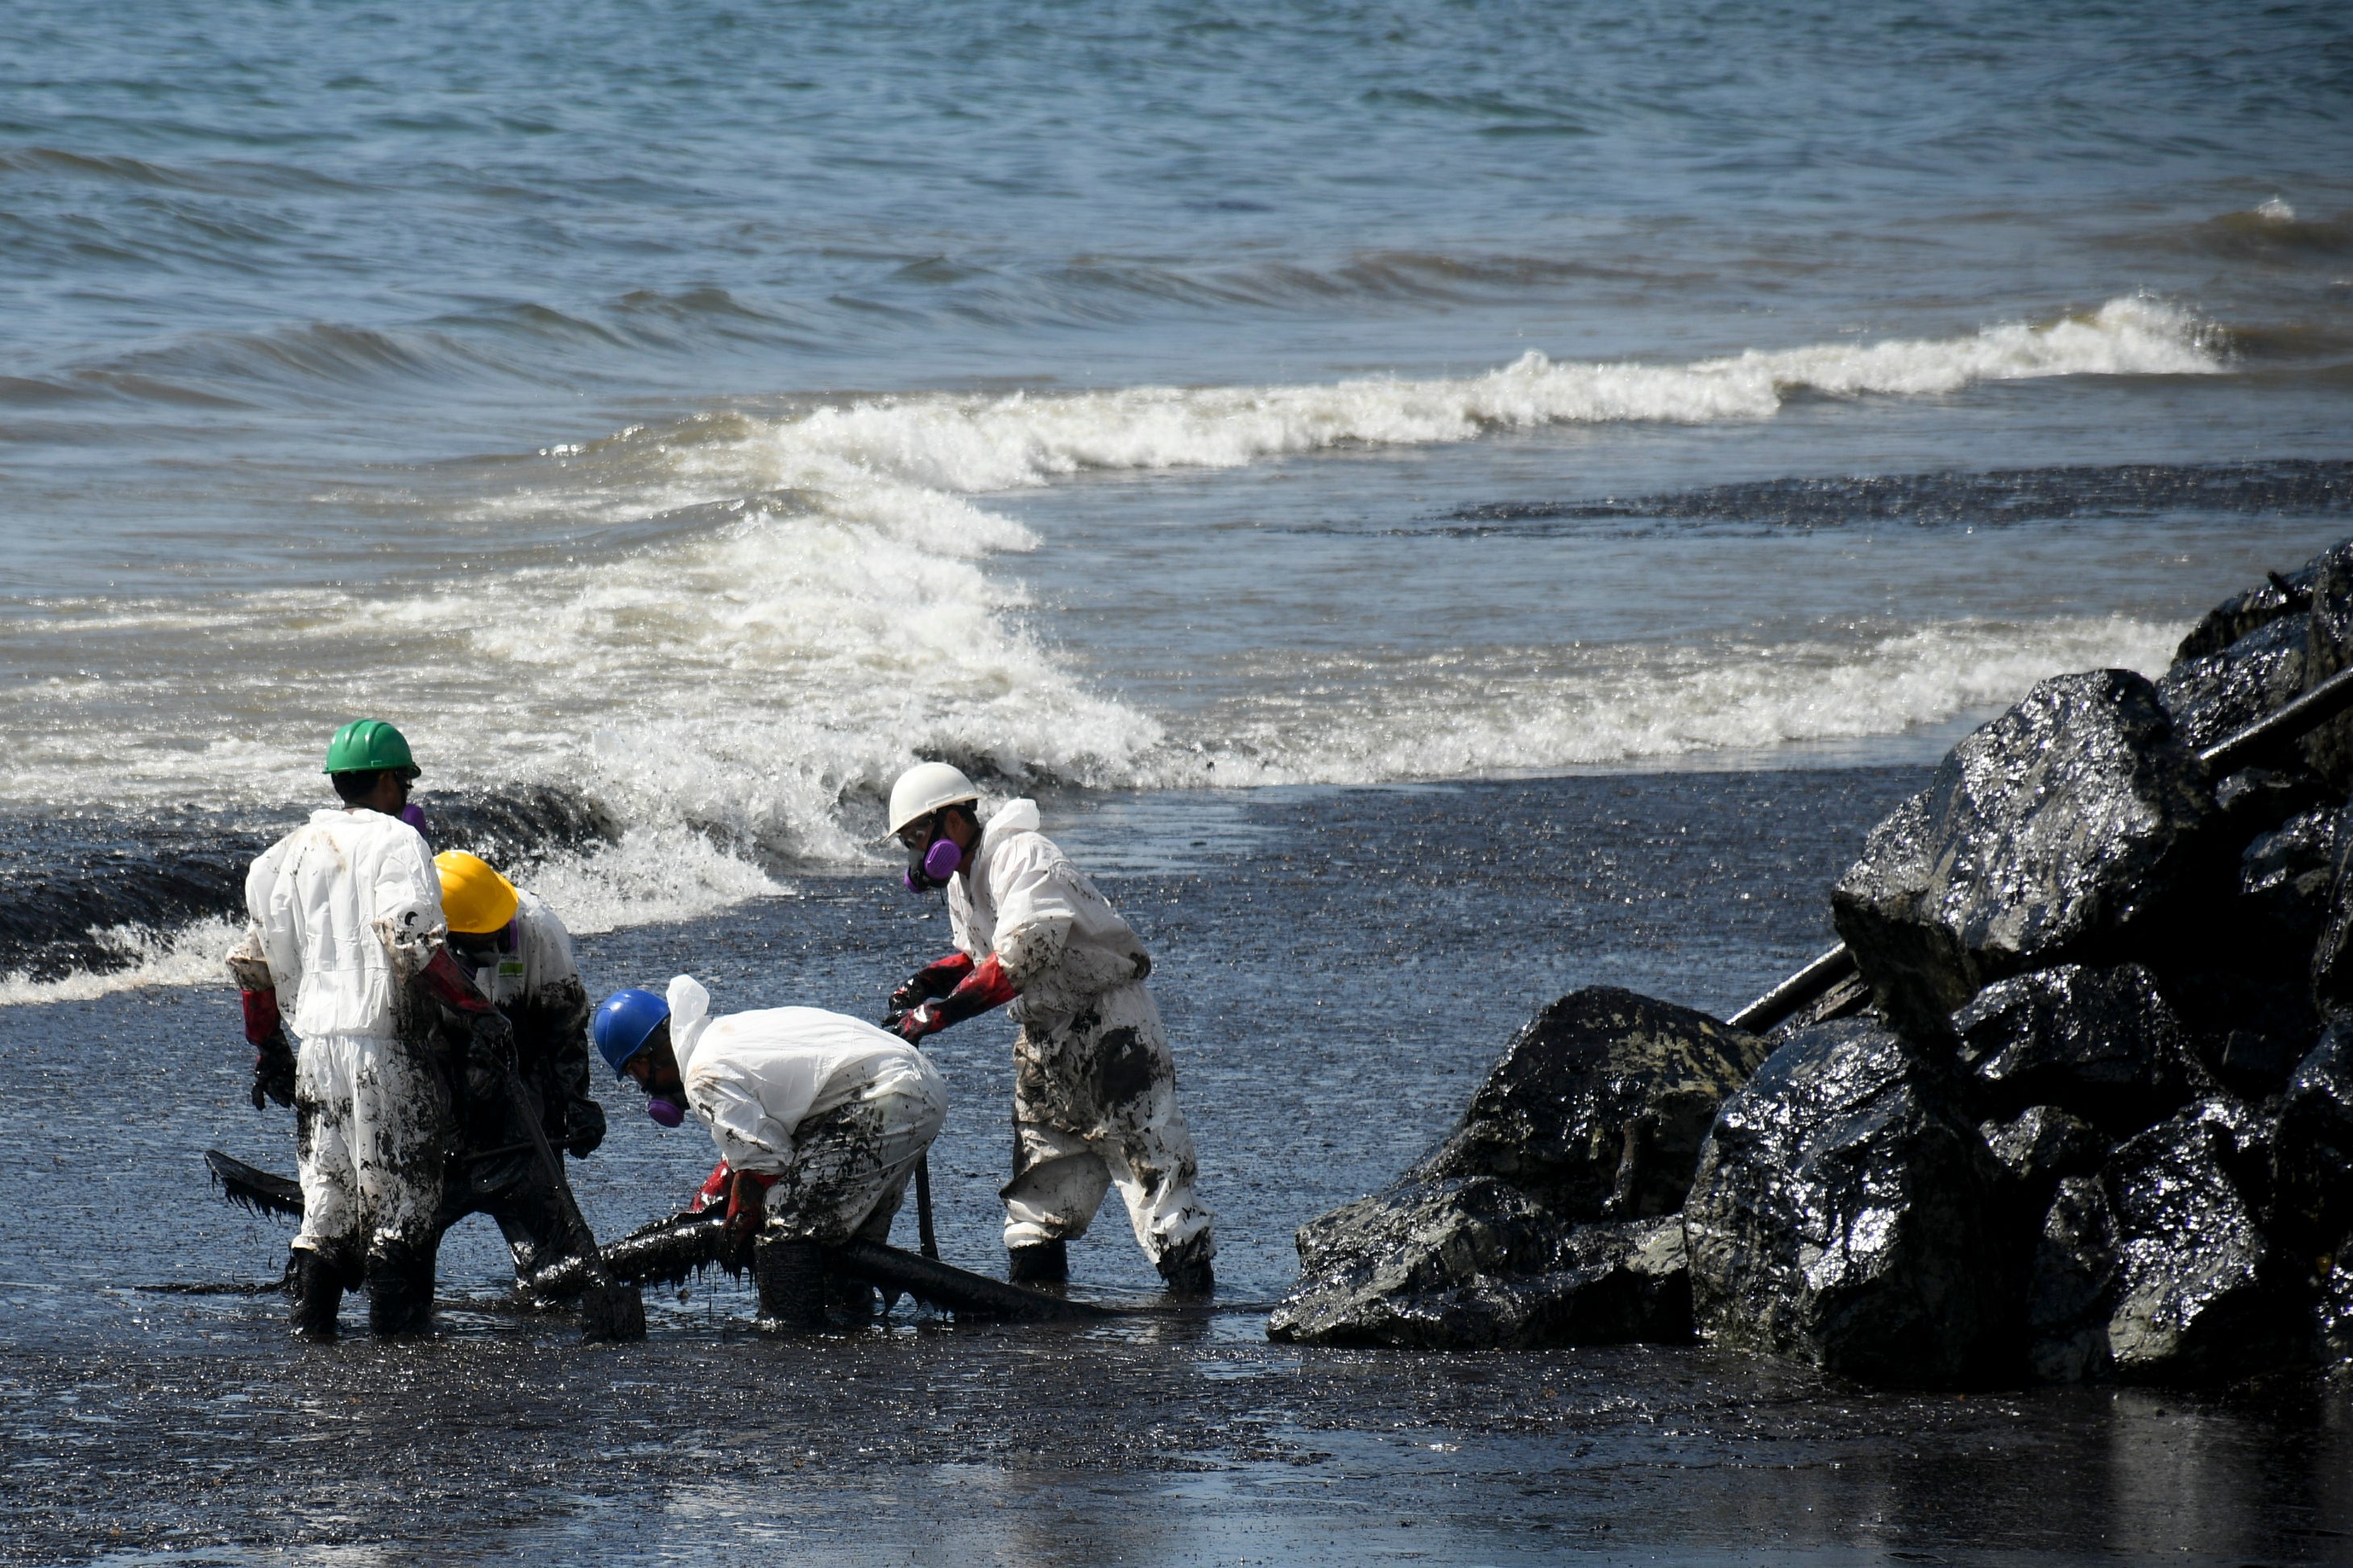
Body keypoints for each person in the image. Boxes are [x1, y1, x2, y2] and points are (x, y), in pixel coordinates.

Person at [226, 718, 515, 1338]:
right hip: (385, 1047)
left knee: (326, 1202)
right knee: (404, 1199)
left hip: (316, 1053)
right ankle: (398, 1349)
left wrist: (269, 1049)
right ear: (387, 780)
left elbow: (252, 967)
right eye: (404, 783)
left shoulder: (279, 856)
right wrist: (478, 1010)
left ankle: (314, 1338)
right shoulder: (396, 842)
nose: (405, 795)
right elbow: (410, 943)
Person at [881, 761, 1216, 1294]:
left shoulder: (1022, 855)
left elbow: (1022, 956)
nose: (918, 851)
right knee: (1039, 1196)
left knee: (1153, 1174)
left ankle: (1191, 1310)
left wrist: (938, 1015)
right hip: (1046, 1039)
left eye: (921, 833)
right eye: (909, 842)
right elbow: (978, 955)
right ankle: (1041, 1315)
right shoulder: (964, 882)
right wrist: (930, 981)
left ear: (955, 818)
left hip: (1111, 1029)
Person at [593, 974, 947, 1330]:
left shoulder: (702, 1075)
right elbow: (763, 1140)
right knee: (848, 1237)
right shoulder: (721, 1035)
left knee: (785, 1219)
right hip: (909, 1086)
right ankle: (851, 1323)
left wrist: (734, 1229)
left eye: (639, 1080)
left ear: (643, 1061)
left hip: (885, 1097)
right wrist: (708, 1202)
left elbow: (763, 1162)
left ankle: (791, 1333)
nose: (648, 1091)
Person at [425, 850, 607, 1283]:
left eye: (499, 934)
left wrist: (576, 1102)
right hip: (447, 1084)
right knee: (413, 1232)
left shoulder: (538, 927)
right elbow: (420, 1046)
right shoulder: (418, 941)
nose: (496, 945)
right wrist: (445, 1129)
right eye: (479, 942)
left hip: (523, 1086)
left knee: (551, 1245)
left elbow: (564, 1025)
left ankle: (547, 1279)